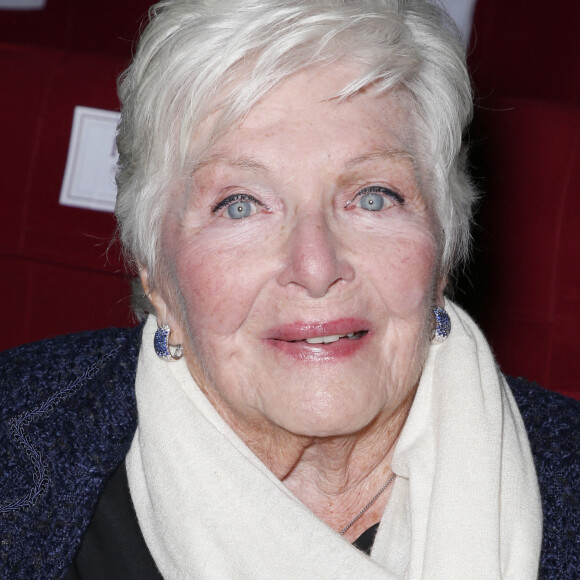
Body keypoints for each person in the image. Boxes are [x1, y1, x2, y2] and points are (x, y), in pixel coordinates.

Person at [1, 0, 578, 578]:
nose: (315, 264)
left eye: (373, 196)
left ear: (444, 247)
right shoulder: (18, 447)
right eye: (241, 205)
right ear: (153, 271)